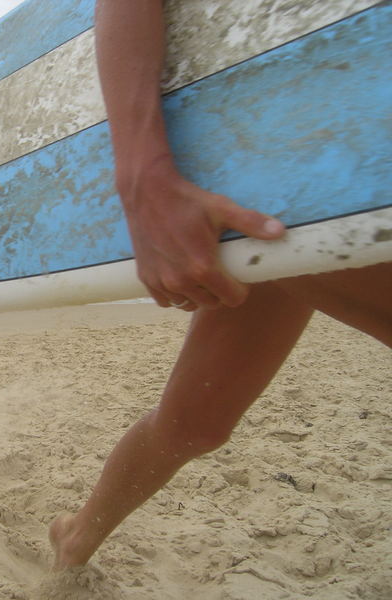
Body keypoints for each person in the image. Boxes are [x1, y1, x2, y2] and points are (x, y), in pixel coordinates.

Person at [49, 0, 392, 569]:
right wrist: (142, 180)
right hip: (290, 160)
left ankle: (77, 534)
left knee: (194, 426)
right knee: (191, 425)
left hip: (320, 174)